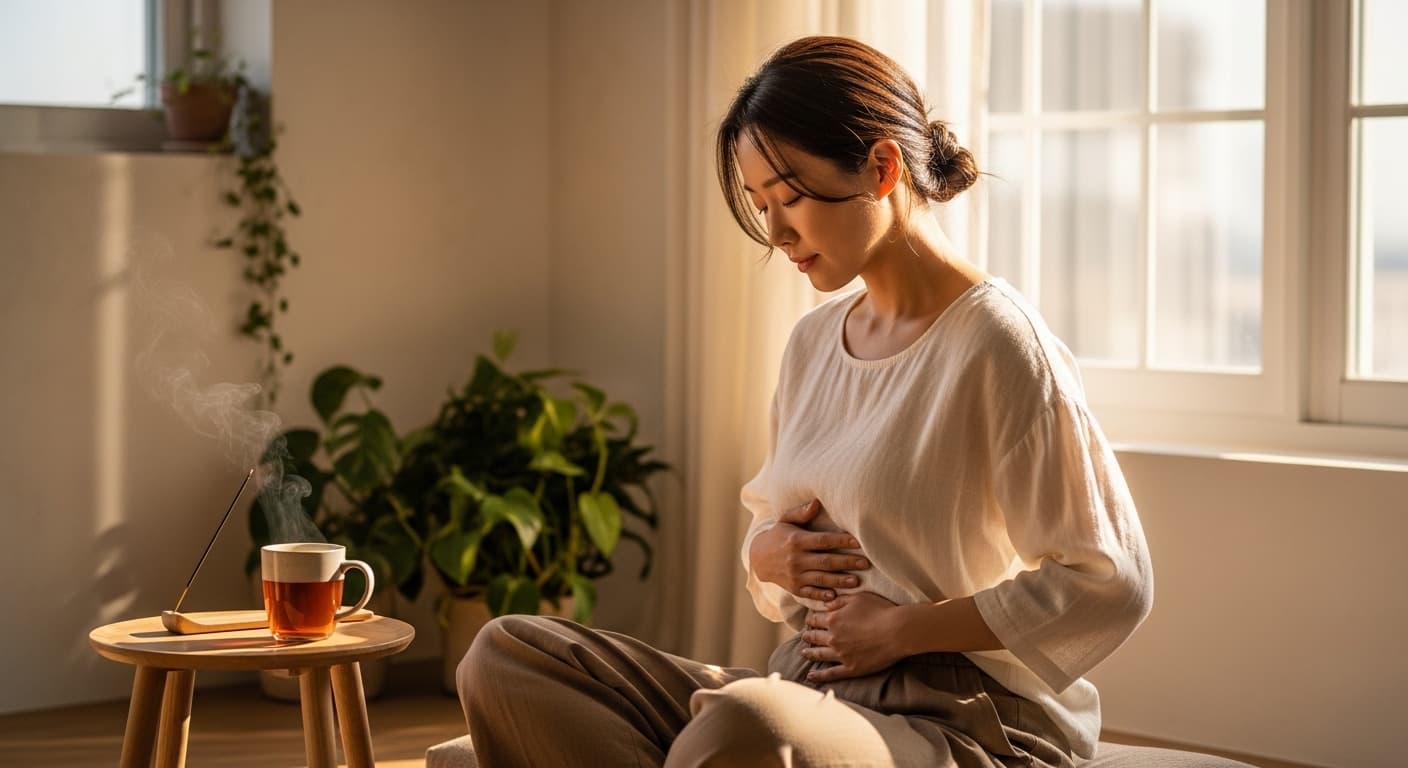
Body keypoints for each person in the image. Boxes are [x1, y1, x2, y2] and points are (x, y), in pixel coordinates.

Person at [457, 35, 1153, 768]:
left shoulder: (1000, 347)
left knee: (749, 728)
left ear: (883, 168)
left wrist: (902, 631)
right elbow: (769, 530)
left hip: (965, 718)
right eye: (761, 204)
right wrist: (769, 551)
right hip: (816, 689)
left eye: (789, 197)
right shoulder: (814, 343)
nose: (776, 231)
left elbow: (1110, 584)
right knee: (506, 656)